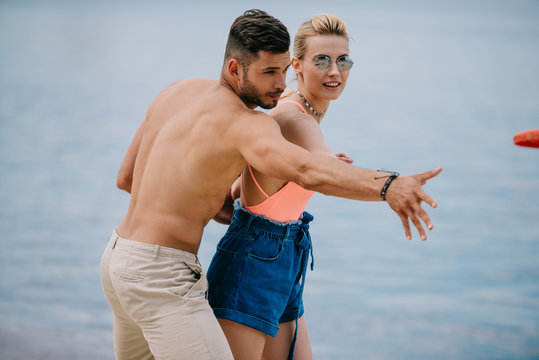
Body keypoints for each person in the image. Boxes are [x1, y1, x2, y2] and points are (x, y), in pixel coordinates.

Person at [100, 9, 441, 360]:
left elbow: (126, 177)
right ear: (235, 69)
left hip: (118, 258)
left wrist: (207, 197)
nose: (280, 84)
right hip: (161, 276)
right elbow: (308, 170)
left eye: (282, 70)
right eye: (269, 73)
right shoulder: (248, 124)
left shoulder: (177, 91)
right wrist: (389, 186)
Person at [205, 13, 378, 360]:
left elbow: (250, 182)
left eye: (343, 60)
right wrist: (394, 187)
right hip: (254, 261)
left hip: (283, 254)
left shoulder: (305, 116)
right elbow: (324, 176)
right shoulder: (293, 117)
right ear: (296, 66)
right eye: (322, 60)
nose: (335, 71)